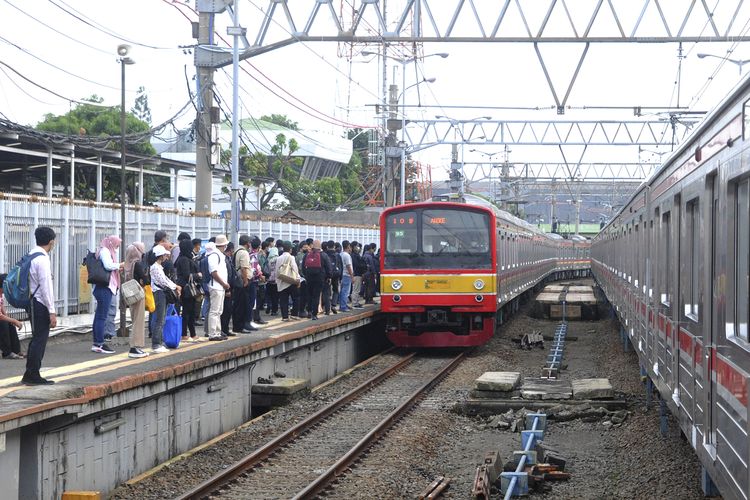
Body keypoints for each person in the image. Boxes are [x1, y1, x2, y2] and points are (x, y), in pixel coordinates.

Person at [22, 226, 56, 385]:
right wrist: (52, 311)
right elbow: (46, 287)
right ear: (51, 242)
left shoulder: (31, 255)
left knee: (36, 339)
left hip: (32, 301)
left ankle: (30, 373)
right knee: (39, 340)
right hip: (40, 303)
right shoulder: (42, 259)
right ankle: (33, 375)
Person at [92, 235, 123, 354]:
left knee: (99, 315)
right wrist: (120, 265)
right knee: (102, 316)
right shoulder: (105, 251)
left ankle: (97, 343)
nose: (117, 247)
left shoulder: (104, 250)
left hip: (102, 287)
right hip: (105, 287)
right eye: (117, 244)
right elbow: (108, 265)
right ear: (112, 243)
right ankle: (99, 343)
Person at [150, 245, 181, 352]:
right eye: (164, 255)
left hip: (160, 293)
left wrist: (174, 286)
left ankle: (159, 342)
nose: (166, 257)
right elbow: (163, 281)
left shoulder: (158, 266)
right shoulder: (155, 267)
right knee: (160, 319)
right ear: (161, 256)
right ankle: (156, 344)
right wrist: (175, 286)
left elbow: (165, 279)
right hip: (159, 293)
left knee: (160, 318)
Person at [123, 242, 149, 358]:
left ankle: (135, 347)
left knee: (134, 320)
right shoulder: (137, 264)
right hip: (138, 294)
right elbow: (146, 279)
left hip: (129, 294)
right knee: (138, 321)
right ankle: (135, 347)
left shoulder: (126, 265)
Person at [175, 239, 202, 342]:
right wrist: (198, 275)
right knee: (187, 311)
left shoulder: (183, 258)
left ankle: (192, 333)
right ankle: (184, 334)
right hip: (187, 289)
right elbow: (187, 275)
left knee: (190, 311)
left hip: (187, 288)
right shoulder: (184, 259)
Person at [206, 237, 230, 340]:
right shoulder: (214, 255)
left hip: (220, 286)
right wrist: (223, 283)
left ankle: (217, 331)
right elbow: (213, 272)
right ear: (224, 245)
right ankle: (213, 333)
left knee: (219, 311)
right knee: (215, 311)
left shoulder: (219, 255)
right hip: (216, 286)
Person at [0, 274, 24, 359]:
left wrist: (10, 320)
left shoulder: (0, 294)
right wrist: (14, 320)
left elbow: (1, 307)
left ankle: (16, 351)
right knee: (3, 323)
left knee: (9, 323)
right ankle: (7, 353)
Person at [232, 235, 253, 334]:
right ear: (247, 243)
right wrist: (245, 281)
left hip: (238, 281)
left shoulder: (236, 251)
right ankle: (240, 326)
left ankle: (238, 326)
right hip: (242, 281)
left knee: (238, 304)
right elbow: (244, 268)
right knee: (242, 305)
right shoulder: (244, 253)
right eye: (249, 242)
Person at [276, 241, 300, 321]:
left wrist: (278, 281)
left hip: (282, 282)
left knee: (283, 300)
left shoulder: (278, 258)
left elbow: (277, 271)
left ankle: (285, 317)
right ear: (290, 249)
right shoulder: (291, 257)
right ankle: (294, 314)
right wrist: (298, 279)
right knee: (295, 298)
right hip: (291, 281)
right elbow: (295, 269)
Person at [338, 240, 354, 313]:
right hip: (347, 275)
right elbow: (348, 266)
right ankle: (343, 306)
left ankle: (343, 305)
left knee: (342, 291)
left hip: (342, 274)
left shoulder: (341, 254)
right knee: (345, 291)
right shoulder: (347, 255)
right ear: (348, 246)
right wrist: (352, 276)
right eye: (350, 246)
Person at [265, 245, 279, 316]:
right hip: (276, 281)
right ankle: (274, 310)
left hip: (268, 279)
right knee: (275, 296)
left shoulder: (268, 259)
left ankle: (268, 306)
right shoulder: (278, 259)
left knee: (269, 295)